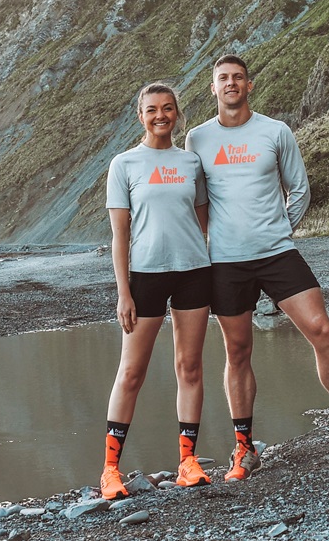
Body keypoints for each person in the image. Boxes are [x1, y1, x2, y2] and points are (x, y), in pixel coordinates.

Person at [184, 54, 329, 482]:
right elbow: (199, 200)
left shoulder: (276, 131)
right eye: (223, 79)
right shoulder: (197, 139)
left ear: (249, 85)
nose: (231, 83)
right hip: (227, 264)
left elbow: (300, 188)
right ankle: (244, 449)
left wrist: (278, 230)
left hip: (277, 254)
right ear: (212, 89)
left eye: (238, 77)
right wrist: (216, 242)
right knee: (237, 352)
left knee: (323, 331)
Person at [100, 82, 213, 500]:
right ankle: (110, 469)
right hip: (145, 276)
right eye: (151, 109)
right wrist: (123, 292)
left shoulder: (191, 162)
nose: (160, 115)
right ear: (140, 115)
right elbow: (119, 237)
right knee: (131, 372)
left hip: (193, 273)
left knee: (190, 367)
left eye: (167, 108)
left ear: (177, 113)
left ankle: (188, 462)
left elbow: (204, 223)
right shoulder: (124, 164)